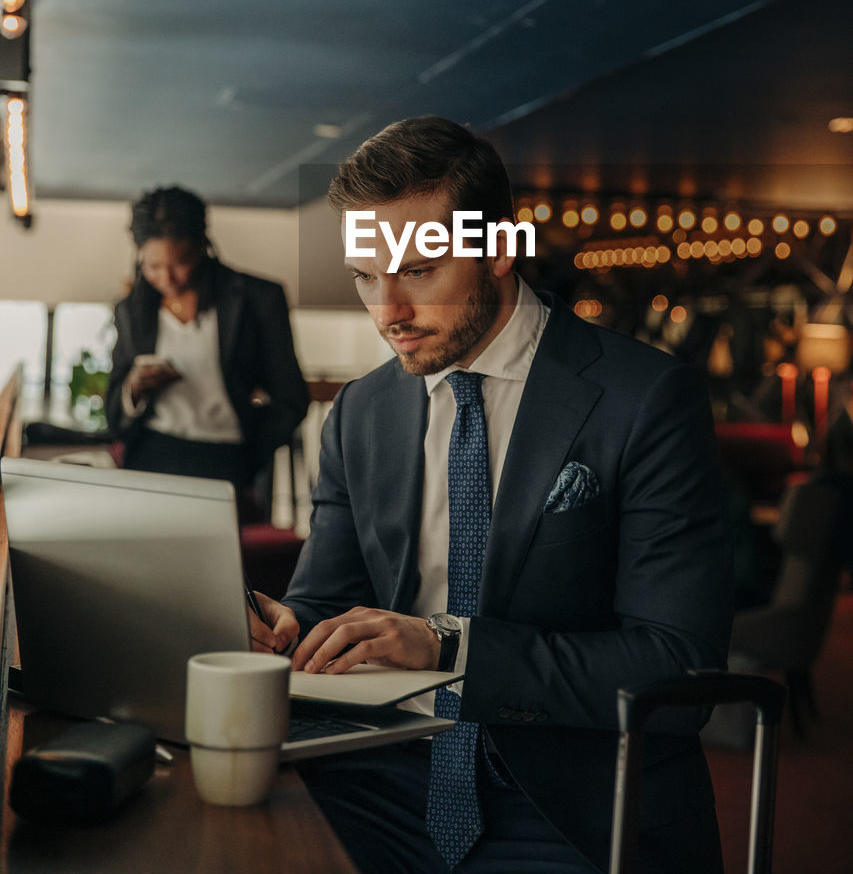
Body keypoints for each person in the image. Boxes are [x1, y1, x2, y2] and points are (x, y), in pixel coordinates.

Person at [251, 118, 732, 874]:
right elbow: (328, 601)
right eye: (365, 277)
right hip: (374, 772)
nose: (387, 312)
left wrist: (448, 648)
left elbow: (679, 669)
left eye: (416, 271)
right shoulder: (361, 411)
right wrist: (286, 627)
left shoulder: (644, 400)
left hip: (559, 800)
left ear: (500, 248)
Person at [106, 186, 309, 503]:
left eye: (180, 262)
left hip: (225, 457)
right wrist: (133, 388)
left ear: (202, 246)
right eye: (153, 266)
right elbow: (113, 408)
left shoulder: (259, 299)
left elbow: (291, 397)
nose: (167, 278)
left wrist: (251, 454)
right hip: (148, 454)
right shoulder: (132, 309)